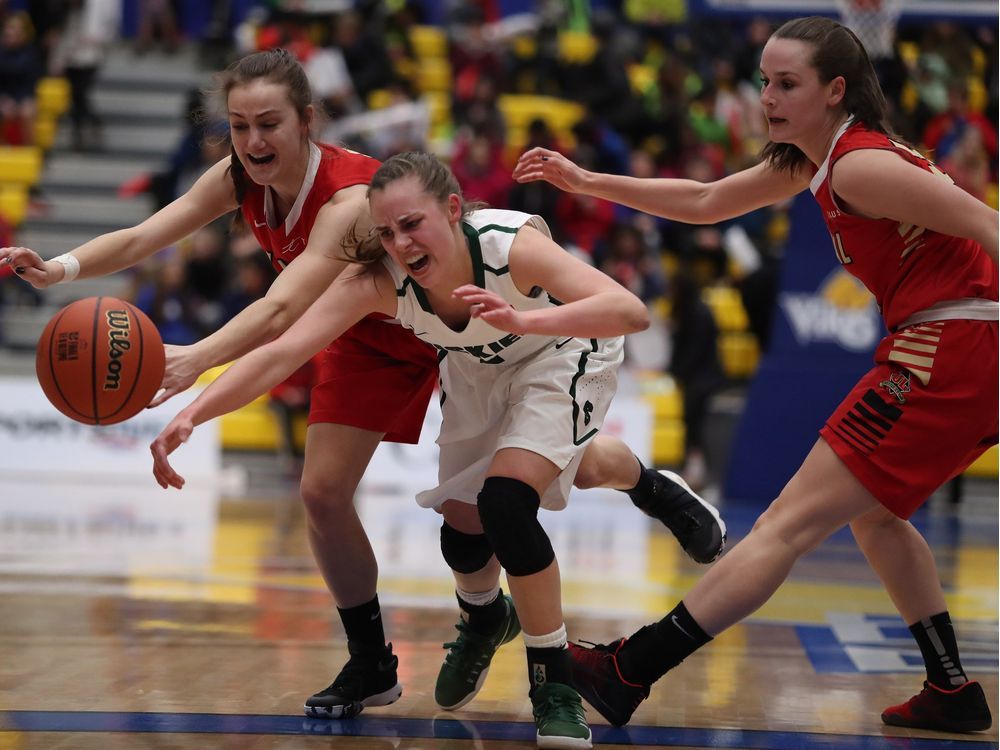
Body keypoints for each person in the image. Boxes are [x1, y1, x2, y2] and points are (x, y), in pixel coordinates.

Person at [1, 49, 724, 724]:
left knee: (533, 472)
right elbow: (145, 237)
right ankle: (375, 662)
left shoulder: (352, 202)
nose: (252, 141)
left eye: (269, 124)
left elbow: (282, 309)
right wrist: (58, 269)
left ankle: (638, 501)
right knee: (325, 494)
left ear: (307, 122)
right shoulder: (236, 180)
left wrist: (197, 361)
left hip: (437, 322)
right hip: (368, 326)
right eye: (239, 126)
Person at [513, 15, 998, 734]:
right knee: (875, 516)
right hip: (957, 344)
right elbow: (706, 203)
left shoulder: (860, 165)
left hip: (953, 345)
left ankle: (628, 668)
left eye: (787, 84)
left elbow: (987, 224)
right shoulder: (814, 160)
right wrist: (587, 180)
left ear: (836, 90)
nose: (768, 96)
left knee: (783, 527)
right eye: (764, 81)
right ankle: (951, 689)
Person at [147, 151, 719, 748]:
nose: (402, 243)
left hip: (561, 350)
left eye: (413, 224)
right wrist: (194, 413)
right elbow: (282, 352)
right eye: (388, 232)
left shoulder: (507, 244)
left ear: (451, 210)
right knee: (464, 532)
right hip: (478, 369)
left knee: (506, 503)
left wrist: (525, 323)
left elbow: (629, 310)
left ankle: (552, 683)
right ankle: (500, 601)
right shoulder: (378, 279)